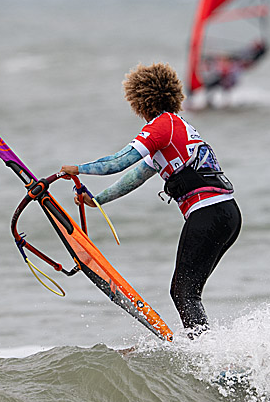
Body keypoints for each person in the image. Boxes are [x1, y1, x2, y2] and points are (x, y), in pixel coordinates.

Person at [60, 62, 242, 338]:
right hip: (228, 215)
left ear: (140, 101)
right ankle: (209, 350)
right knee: (188, 291)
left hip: (208, 213)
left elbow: (119, 161)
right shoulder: (177, 131)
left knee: (182, 291)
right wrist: (96, 200)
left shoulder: (162, 125)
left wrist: (79, 168)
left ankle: (205, 355)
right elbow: (133, 177)